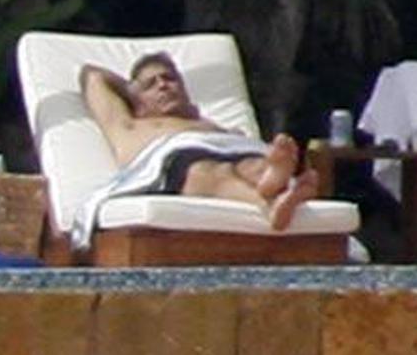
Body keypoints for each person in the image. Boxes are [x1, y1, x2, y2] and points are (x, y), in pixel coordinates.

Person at [79, 51, 317, 230]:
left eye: (170, 78)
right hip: (177, 158)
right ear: (136, 100)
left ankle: (271, 181)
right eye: (151, 84)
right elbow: (91, 74)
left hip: (228, 147)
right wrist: (132, 94)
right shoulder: (129, 126)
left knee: (253, 165)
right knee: (209, 171)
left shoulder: (210, 124)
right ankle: (271, 200)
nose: (163, 85)